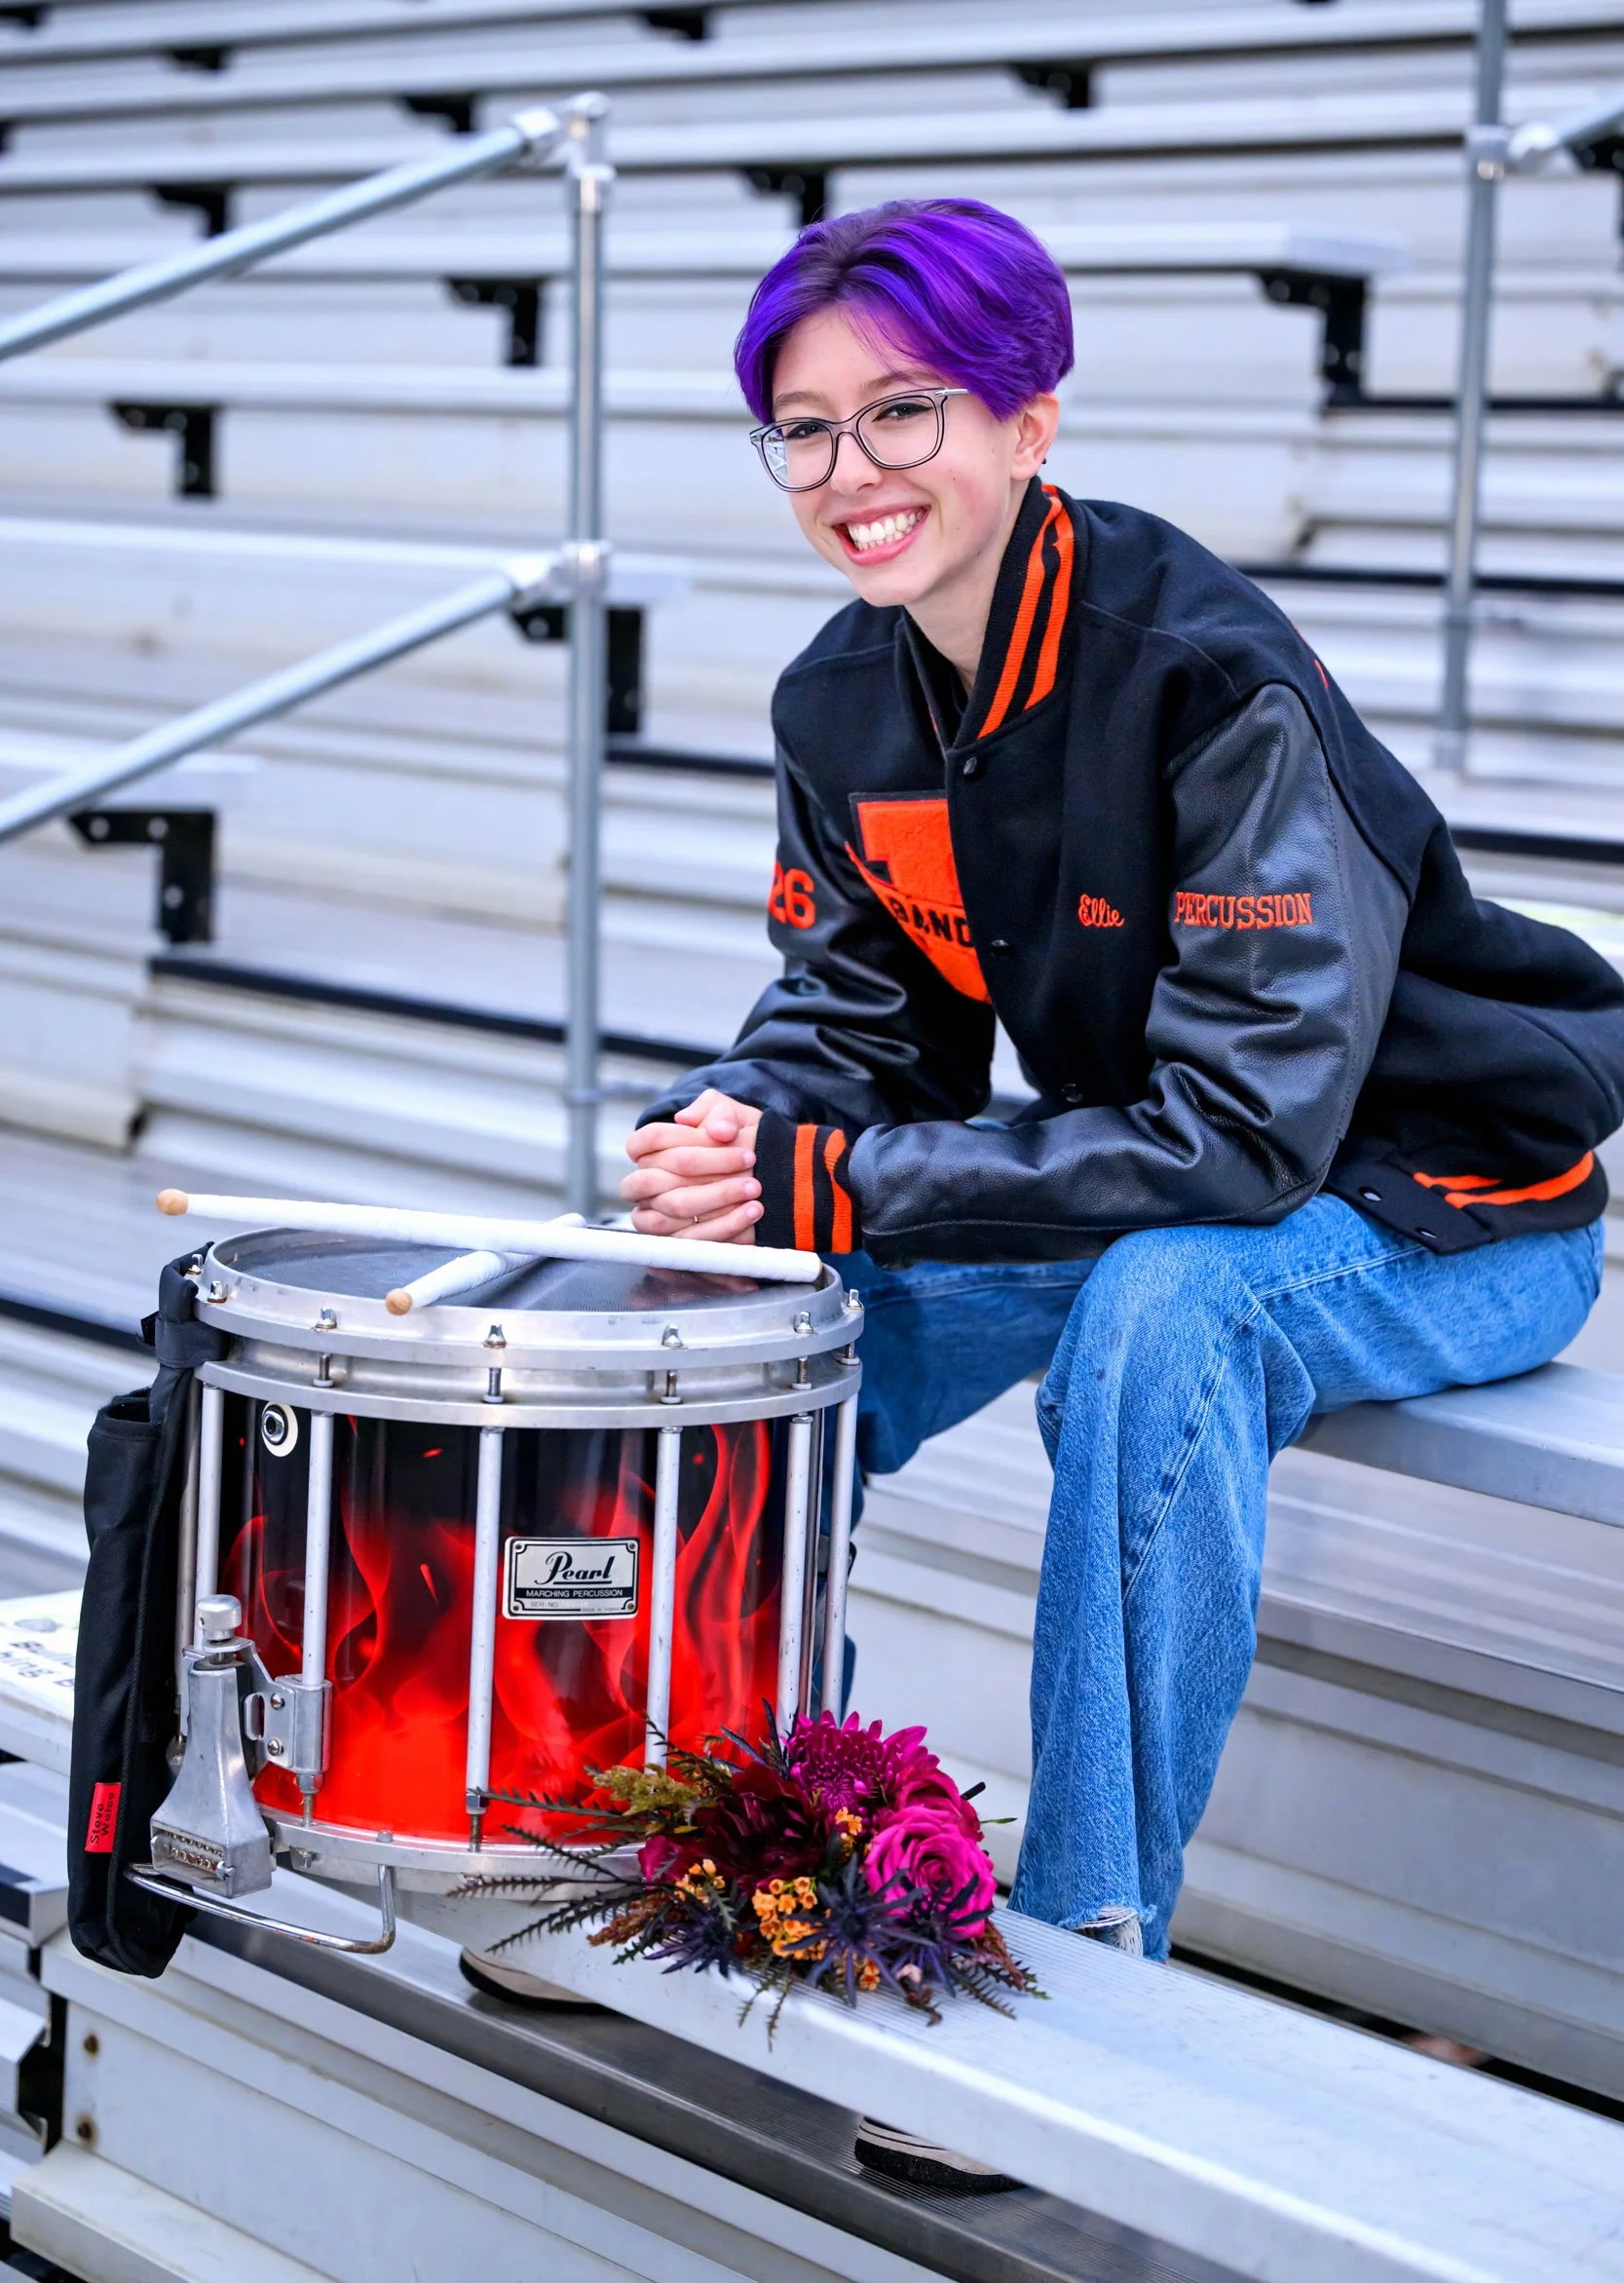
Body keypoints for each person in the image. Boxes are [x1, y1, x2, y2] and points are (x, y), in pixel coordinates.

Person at [621, 198, 1624, 2188]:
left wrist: (835, 1159)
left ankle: (1081, 1963)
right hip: (1165, 1171)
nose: (850, 472)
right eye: (801, 429)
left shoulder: (1198, 670)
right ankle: (714, 1836)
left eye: (901, 411)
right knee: (766, 1311)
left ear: (1028, 418)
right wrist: (737, 1129)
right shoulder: (840, 701)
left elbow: (1246, 1135)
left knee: (1162, 1304)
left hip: (1448, 1194)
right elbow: (853, 1032)